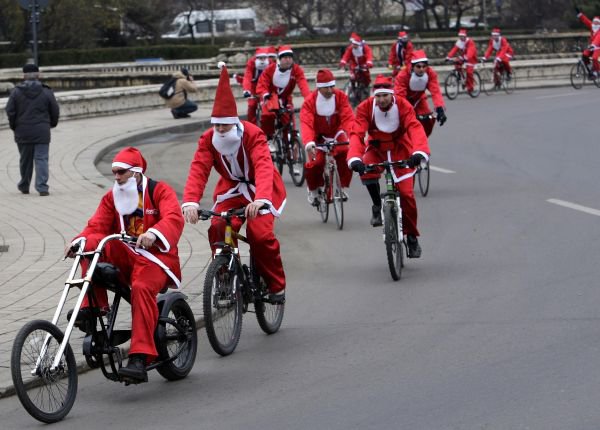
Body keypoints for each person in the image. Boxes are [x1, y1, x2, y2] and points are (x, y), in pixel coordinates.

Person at [65, 146, 184, 383]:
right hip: (128, 255)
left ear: (137, 173)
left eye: (122, 173)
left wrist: (154, 232)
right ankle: (94, 307)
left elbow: (173, 217)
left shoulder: (159, 190)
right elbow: (96, 225)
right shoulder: (112, 196)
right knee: (91, 243)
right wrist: (77, 241)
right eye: (115, 173)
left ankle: (139, 356)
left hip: (155, 259)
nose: (116, 178)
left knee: (140, 288)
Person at [182, 63, 287, 303]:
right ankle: (226, 274)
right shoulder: (209, 139)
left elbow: (263, 165)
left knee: (260, 236)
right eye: (216, 125)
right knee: (219, 227)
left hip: (262, 189)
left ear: (234, 122)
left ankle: (276, 284)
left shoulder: (252, 134)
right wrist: (190, 201)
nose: (219, 130)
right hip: (231, 189)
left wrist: (261, 198)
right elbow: (199, 168)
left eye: (224, 125)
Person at [347, 75, 430, 258]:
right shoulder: (365, 108)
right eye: (378, 96)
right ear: (374, 96)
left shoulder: (403, 105)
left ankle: (412, 237)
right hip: (377, 149)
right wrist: (354, 158)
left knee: (407, 195)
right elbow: (357, 132)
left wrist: (419, 152)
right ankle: (377, 205)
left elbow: (415, 127)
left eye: (385, 95)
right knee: (366, 169)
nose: (382, 99)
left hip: (401, 150)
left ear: (391, 94)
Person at [300, 68, 355, 205]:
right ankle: (313, 190)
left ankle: (341, 187)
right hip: (318, 137)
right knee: (316, 163)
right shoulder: (310, 102)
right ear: (319, 88)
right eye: (326, 88)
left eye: (332, 86)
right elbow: (306, 123)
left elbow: (348, 117)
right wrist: (309, 142)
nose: (330, 90)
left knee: (347, 153)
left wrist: (352, 135)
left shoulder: (340, 97)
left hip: (336, 133)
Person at [5, 63, 59, 196]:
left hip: (22, 130)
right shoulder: (46, 91)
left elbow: (10, 111)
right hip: (42, 130)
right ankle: (42, 187)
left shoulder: (16, 92)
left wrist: (14, 126)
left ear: (24, 76)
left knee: (25, 159)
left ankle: (24, 185)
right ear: (38, 75)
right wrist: (51, 124)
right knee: (41, 159)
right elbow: (55, 110)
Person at [256, 45, 311, 139]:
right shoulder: (270, 69)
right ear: (279, 59)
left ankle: (291, 144)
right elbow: (262, 84)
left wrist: (309, 99)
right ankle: (268, 137)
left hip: (286, 99)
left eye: (290, 57)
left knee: (289, 119)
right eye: (285, 57)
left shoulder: (296, 70)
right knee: (268, 115)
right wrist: (265, 94)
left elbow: (303, 84)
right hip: (271, 97)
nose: (288, 60)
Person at [394, 50, 447, 137]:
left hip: (419, 100)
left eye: (424, 66)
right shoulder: (403, 76)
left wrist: (440, 108)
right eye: (418, 67)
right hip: (404, 101)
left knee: (428, 121)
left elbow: (435, 91)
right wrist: (405, 112)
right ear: (412, 66)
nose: (421, 69)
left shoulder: (430, 74)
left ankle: (421, 142)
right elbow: (400, 96)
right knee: (404, 123)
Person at [445, 28, 478, 95]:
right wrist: (448, 57)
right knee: (457, 63)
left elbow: (471, 51)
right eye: (460, 36)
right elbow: (454, 50)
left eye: (462, 36)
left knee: (469, 72)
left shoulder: (470, 42)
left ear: (465, 36)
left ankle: (470, 87)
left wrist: (467, 57)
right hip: (463, 56)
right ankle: (462, 79)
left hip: (471, 58)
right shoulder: (459, 42)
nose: (461, 38)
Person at [242, 47, 270, 125]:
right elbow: (247, 77)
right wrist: (246, 90)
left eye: (264, 58)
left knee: (267, 106)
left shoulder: (270, 63)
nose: (262, 60)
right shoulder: (251, 63)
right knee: (252, 105)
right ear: (256, 58)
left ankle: (268, 128)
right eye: (260, 58)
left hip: (265, 87)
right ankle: (252, 126)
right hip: (253, 87)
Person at [575, 5, 600, 79]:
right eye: (594, 22)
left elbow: (598, 39)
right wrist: (579, 14)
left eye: (596, 23)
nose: (594, 24)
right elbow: (585, 20)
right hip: (592, 46)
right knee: (585, 55)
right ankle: (590, 71)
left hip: (598, 47)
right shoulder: (592, 27)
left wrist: (594, 45)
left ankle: (597, 71)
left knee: (595, 58)